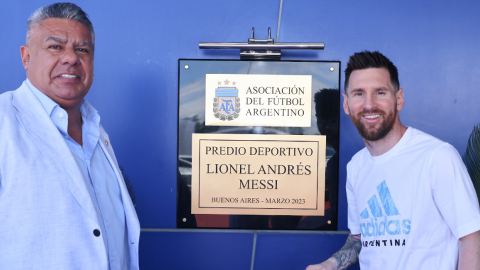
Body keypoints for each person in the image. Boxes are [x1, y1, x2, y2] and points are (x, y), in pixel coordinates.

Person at [306, 51, 480, 270]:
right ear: (346, 103)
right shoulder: (356, 166)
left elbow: (472, 238)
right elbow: (360, 239)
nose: (369, 105)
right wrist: (330, 265)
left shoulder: (437, 157)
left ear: (399, 99)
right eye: (359, 93)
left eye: (380, 92)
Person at [0, 3, 140, 269]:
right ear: (26, 56)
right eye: (55, 46)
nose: (71, 58)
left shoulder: (95, 132)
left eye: (82, 49)